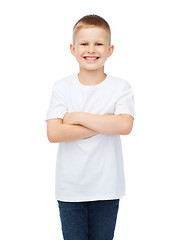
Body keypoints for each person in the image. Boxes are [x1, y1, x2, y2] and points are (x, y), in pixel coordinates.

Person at [45, 14, 135, 240]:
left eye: (98, 44)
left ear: (110, 49)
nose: (91, 49)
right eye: (84, 43)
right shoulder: (63, 87)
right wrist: (105, 123)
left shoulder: (121, 87)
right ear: (72, 49)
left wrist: (78, 117)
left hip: (107, 187)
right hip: (70, 189)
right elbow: (54, 133)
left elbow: (124, 125)